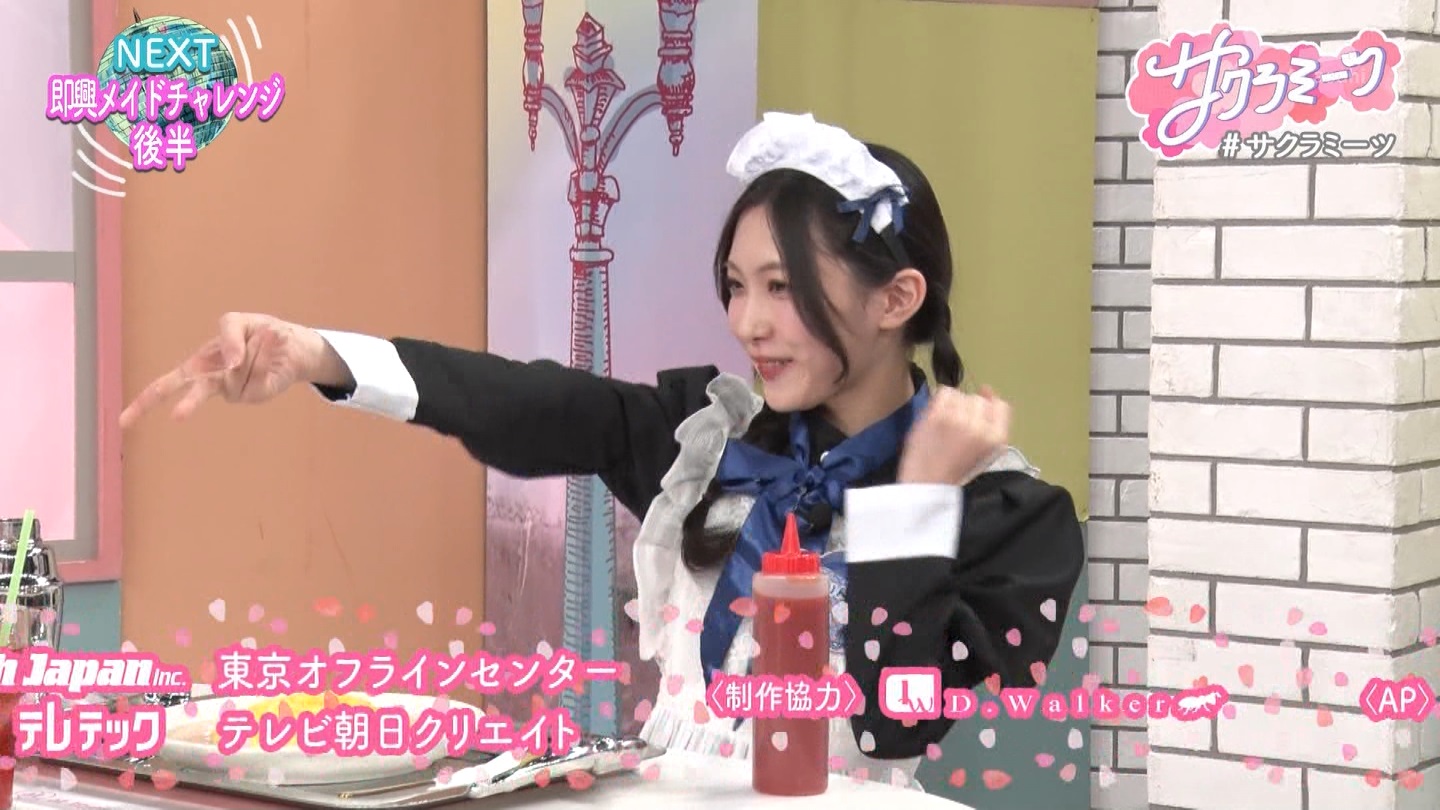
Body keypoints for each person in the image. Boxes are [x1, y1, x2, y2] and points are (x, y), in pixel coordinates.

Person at [119, 112, 1085, 786]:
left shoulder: (1009, 512)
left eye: (783, 287)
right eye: (736, 285)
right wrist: (318, 356)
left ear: (896, 298)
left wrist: (915, 503)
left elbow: (895, 720)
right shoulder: (709, 439)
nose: (748, 321)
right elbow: (532, 402)